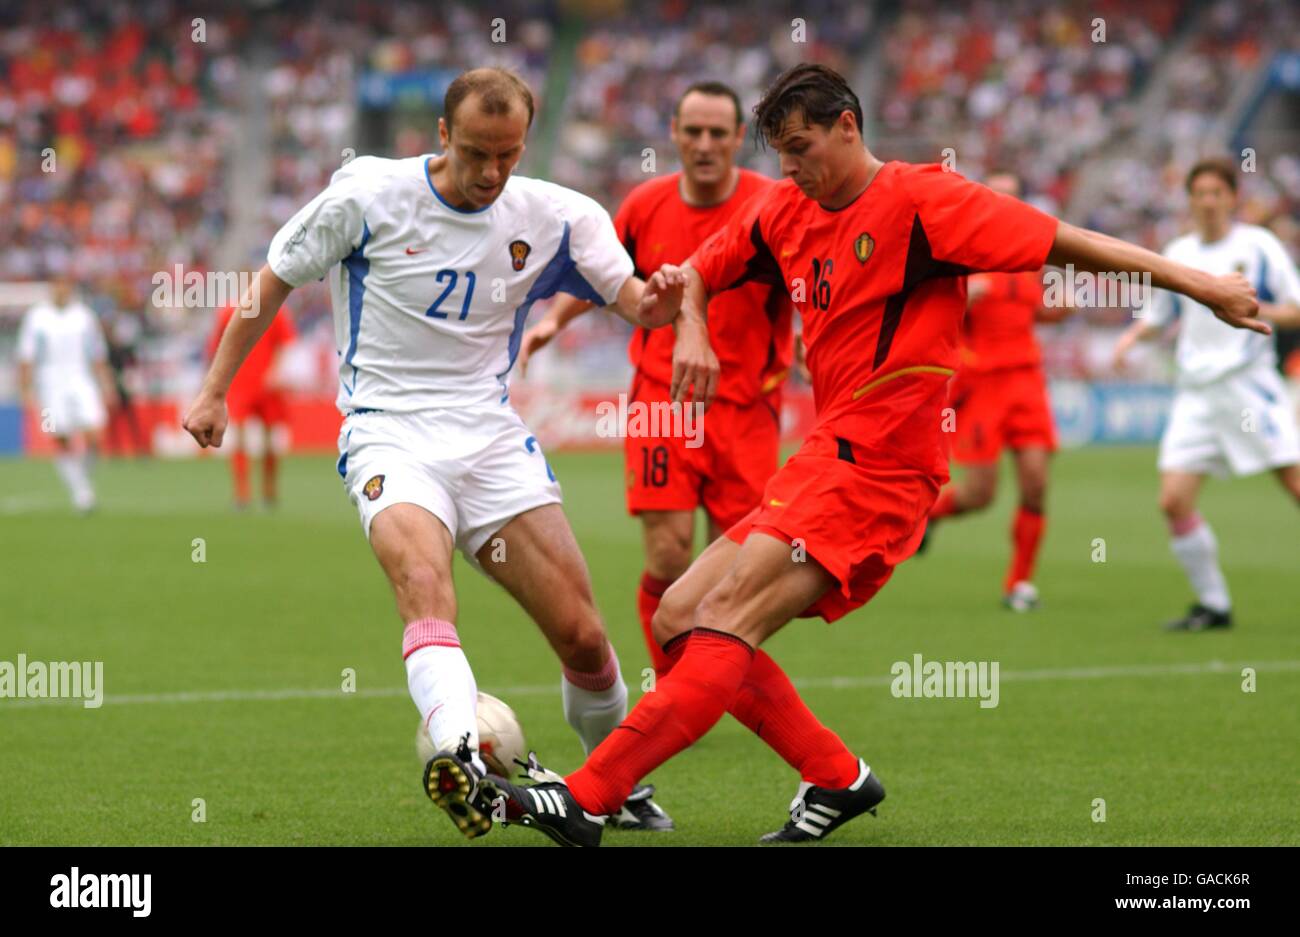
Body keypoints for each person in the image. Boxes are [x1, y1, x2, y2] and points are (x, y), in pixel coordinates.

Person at [478, 64, 1268, 847]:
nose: (787, 169)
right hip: (826, 456)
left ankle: (586, 796)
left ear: (848, 128)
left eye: (801, 147)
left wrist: (1197, 284)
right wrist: (690, 326)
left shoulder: (926, 202)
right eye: (781, 154)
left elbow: (1066, 244)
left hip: (884, 466)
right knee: (682, 615)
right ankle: (835, 776)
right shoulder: (786, 208)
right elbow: (690, 276)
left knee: (721, 617)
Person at [182, 67, 697, 838]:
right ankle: (460, 757)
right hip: (387, 429)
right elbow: (271, 282)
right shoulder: (368, 195)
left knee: (585, 637)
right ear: (443, 135)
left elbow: (630, 299)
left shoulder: (557, 215)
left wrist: (661, 304)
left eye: (510, 154)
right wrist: (214, 388)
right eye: (479, 153)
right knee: (424, 582)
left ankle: (614, 784)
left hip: (489, 438)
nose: (493, 173)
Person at [517, 80, 793, 676]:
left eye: (718, 133)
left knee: (742, 566)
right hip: (661, 401)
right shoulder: (645, 204)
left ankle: (716, 682)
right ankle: (673, 690)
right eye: (692, 131)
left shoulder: (773, 204)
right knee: (668, 553)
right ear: (673, 133)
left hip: (747, 407)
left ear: (739, 138)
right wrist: (552, 324)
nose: (704, 143)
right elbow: (602, 274)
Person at [1113, 157, 1300, 631]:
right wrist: (1132, 338)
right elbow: (1159, 315)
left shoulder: (1258, 245)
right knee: (1173, 501)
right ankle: (1214, 605)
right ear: (1190, 200)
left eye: (1218, 192)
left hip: (1249, 388)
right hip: (1195, 393)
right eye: (1201, 194)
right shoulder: (1179, 250)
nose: (1209, 202)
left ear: (1233, 197)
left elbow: (1295, 311)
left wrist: (1245, 309)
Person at [922, 170, 1070, 611]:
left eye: (1012, 198)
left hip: (1028, 382)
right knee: (979, 495)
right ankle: (925, 517)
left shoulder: (1030, 259)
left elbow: (1032, 312)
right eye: (996, 198)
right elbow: (929, 317)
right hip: (984, 385)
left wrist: (1057, 311)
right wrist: (964, 297)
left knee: (1036, 484)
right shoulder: (962, 258)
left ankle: (1018, 584)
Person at [17, 278, 117, 513]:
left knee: (95, 432)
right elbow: (26, 355)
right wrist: (26, 387)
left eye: (65, 286)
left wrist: (106, 383)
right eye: (57, 286)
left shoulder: (84, 316)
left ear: (71, 289)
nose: (61, 290)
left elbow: (97, 353)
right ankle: (81, 492)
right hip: (49, 385)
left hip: (81, 380)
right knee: (58, 435)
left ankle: (81, 480)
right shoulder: (36, 317)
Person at [206, 303, 297, 509]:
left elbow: (284, 343)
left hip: (267, 384)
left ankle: (269, 490)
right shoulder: (229, 312)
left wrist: (275, 370)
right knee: (238, 437)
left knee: (270, 439)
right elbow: (218, 347)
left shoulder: (275, 309)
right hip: (240, 383)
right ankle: (242, 494)